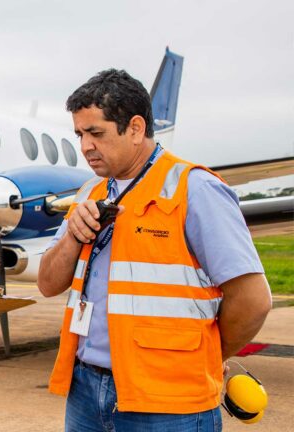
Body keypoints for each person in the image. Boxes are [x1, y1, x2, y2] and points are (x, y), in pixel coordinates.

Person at [37, 68, 272, 431]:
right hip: (86, 390)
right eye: (80, 134)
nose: (84, 146)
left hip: (169, 402)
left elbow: (253, 300)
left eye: (95, 133)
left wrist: (208, 356)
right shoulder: (88, 194)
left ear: (134, 128)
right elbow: (48, 284)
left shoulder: (196, 189)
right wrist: (71, 234)